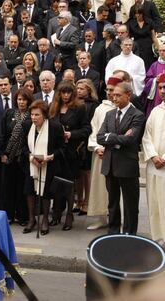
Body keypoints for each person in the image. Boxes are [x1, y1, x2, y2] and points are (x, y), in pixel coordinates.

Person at [97, 82, 146, 235]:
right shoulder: (109, 114)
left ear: (128, 95)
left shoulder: (137, 115)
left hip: (127, 166)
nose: (114, 98)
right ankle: (113, 233)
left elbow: (132, 140)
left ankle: (129, 234)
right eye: (113, 95)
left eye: (118, 95)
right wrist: (117, 138)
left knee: (130, 204)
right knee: (112, 203)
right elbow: (99, 137)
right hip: (110, 164)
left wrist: (110, 138)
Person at [49, 80, 91, 230]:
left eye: (68, 92)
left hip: (71, 152)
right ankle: (56, 214)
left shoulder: (79, 108)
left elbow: (87, 129)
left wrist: (70, 134)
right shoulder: (53, 107)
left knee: (69, 185)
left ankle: (69, 216)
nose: (66, 95)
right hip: (56, 152)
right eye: (63, 92)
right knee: (56, 185)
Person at [23, 100, 65, 235]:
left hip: (49, 165)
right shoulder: (27, 125)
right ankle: (31, 219)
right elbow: (23, 147)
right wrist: (31, 157)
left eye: (37, 115)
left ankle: (45, 219)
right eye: (32, 115)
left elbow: (62, 148)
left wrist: (51, 156)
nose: (33, 118)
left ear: (45, 116)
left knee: (45, 192)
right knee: (30, 192)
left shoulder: (55, 127)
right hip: (31, 165)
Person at [87, 76, 121, 230]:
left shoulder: (125, 108)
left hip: (116, 154)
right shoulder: (100, 109)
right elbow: (94, 131)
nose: (110, 93)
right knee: (99, 187)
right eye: (108, 90)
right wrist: (96, 147)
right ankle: (101, 217)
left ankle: (116, 219)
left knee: (115, 189)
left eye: (113, 90)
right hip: (99, 154)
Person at [1, 88, 33, 226]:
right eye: (19, 99)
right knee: (8, 188)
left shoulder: (31, 116)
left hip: (23, 157)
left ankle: (22, 216)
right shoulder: (9, 113)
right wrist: (2, 153)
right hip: (8, 157)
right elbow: (2, 134)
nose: (21, 102)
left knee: (22, 188)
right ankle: (8, 215)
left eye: (24, 99)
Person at [142, 73, 165, 246]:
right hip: (154, 165)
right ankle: (158, 237)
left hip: (163, 165)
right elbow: (146, 136)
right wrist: (153, 155)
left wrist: (163, 158)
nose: (162, 91)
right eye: (160, 87)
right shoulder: (156, 111)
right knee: (155, 203)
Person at [75, 78, 99, 215]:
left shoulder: (94, 105)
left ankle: (87, 202)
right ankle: (78, 200)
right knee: (77, 173)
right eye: (77, 88)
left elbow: (91, 125)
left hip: (87, 141)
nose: (78, 91)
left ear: (89, 90)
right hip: (75, 140)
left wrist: (84, 141)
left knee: (87, 173)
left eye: (82, 88)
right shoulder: (74, 103)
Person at [127, 5, 159, 71]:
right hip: (136, 47)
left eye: (139, 13)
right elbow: (128, 38)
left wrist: (159, 49)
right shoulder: (131, 23)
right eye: (136, 13)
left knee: (148, 66)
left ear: (143, 13)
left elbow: (154, 37)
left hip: (148, 47)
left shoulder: (150, 22)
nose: (138, 15)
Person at [144, 44, 165, 117]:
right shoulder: (154, 65)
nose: (162, 52)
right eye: (160, 51)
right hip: (157, 94)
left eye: (164, 51)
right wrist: (155, 80)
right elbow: (147, 80)